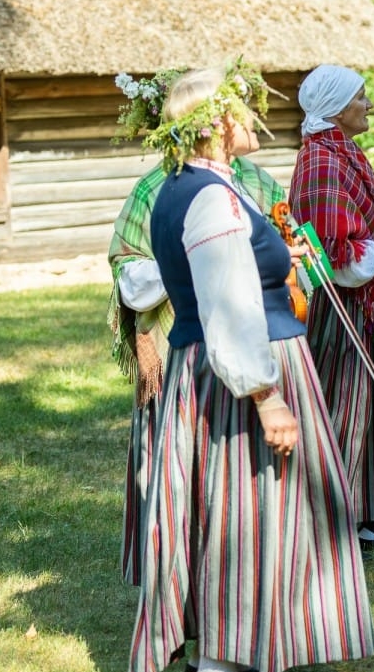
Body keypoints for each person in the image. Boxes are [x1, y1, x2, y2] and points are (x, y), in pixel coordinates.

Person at [128, 66, 374, 672]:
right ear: (213, 125)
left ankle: (234, 644)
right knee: (246, 513)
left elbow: (199, 276)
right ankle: (216, 665)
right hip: (244, 370)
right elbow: (228, 304)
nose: (257, 120)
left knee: (255, 513)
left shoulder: (195, 187)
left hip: (222, 367)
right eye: (245, 110)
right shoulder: (209, 197)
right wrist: (267, 396)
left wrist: (276, 259)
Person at [108, 67, 287, 586]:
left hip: (248, 327)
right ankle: (177, 560)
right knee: (191, 457)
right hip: (180, 333)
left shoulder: (252, 177)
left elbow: (275, 231)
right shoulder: (161, 188)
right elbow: (130, 267)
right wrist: (191, 266)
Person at [288, 65, 374, 549]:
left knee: (369, 407)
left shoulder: (342, 153)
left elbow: (359, 230)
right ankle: (330, 519)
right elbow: (334, 254)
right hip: (341, 306)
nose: (370, 105)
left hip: (364, 301)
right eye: (362, 97)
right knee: (345, 407)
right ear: (338, 107)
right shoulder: (322, 160)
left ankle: (364, 510)